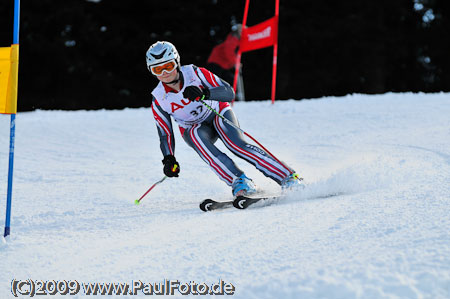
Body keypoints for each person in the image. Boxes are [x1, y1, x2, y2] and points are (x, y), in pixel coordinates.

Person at [146, 41, 302, 197]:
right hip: (196, 128)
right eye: (157, 69)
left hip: (217, 113)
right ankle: (239, 181)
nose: (165, 73)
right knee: (196, 137)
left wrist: (205, 93)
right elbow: (165, 133)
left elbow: (228, 92)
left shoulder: (194, 73)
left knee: (237, 145)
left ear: (177, 62)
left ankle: (288, 177)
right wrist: (168, 158)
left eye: (168, 66)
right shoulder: (159, 98)